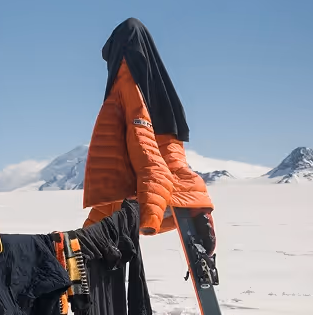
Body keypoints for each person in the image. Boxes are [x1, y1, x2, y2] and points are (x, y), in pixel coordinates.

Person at [82, 18, 216, 254]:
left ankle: (85, 249)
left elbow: (144, 148)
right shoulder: (157, 79)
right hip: (168, 147)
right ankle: (196, 207)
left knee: (114, 205)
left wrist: (150, 219)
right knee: (177, 174)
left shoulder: (126, 79)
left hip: (137, 169)